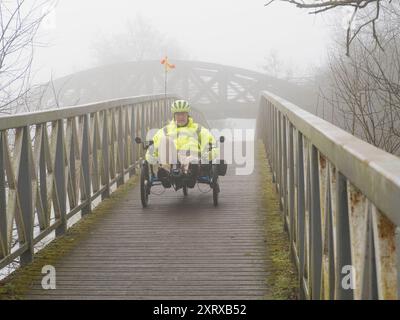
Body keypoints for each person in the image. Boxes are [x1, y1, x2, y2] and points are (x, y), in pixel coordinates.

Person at [145, 99, 219, 188]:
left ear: (188, 114)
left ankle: (190, 174)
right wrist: (151, 156)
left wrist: (208, 155)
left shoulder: (198, 129)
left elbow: (211, 144)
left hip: (191, 156)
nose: (181, 117)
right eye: (178, 114)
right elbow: (153, 147)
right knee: (165, 140)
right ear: (174, 115)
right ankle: (165, 173)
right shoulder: (165, 130)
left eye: (183, 114)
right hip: (172, 159)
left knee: (191, 159)